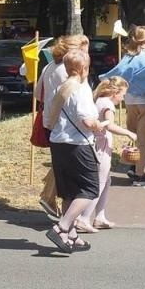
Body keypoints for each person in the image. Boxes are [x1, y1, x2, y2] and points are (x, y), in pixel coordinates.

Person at [43, 52, 106, 253]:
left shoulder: (61, 87)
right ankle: (61, 227)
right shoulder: (81, 89)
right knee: (89, 189)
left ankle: (71, 234)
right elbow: (86, 120)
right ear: (84, 69)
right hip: (78, 144)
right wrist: (98, 125)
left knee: (70, 190)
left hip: (58, 141)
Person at [35, 34, 87, 218]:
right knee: (67, 162)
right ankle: (50, 197)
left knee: (61, 160)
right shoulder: (67, 71)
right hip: (66, 122)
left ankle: (49, 195)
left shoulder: (49, 66)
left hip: (50, 119)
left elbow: (37, 94)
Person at [76, 75, 135, 231]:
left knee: (106, 181)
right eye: (122, 95)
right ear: (115, 92)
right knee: (100, 182)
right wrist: (128, 133)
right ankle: (84, 218)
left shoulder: (99, 101)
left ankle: (100, 216)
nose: (123, 98)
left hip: (98, 144)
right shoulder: (108, 104)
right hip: (101, 148)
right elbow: (109, 125)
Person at [102, 26, 145, 186]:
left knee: (133, 135)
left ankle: (133, 165)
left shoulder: (127, 57)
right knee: (143, 140)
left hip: (130, 101)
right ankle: (139, 175)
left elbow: (116, 74)